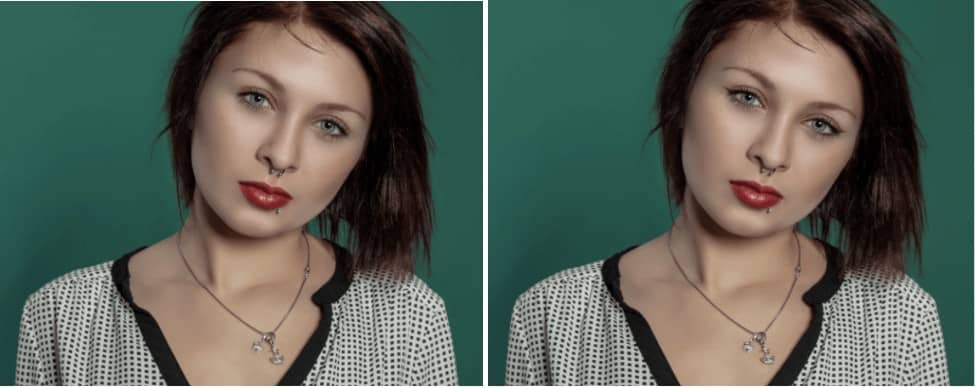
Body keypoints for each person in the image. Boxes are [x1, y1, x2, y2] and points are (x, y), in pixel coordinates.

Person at [504, 0, 948, 385]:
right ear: (683, 89)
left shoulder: (901, 320)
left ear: (854, 153)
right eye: (747, 97)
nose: (772, 153)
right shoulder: (555, 315)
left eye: (821, 125)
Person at [16, 2, 457, 385]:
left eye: (330, 126)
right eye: (256, 98)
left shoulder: (409, 320)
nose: (281, 154)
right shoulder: (64, 316)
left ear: (363, 154)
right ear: (193, 90)